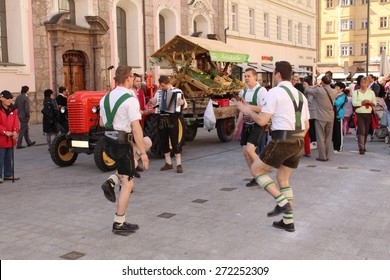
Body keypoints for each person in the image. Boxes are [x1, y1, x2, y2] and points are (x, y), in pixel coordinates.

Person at [236, 61, 310, 232]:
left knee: (256, 170)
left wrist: (247, 111)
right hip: (298, 140)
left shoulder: (274, 92)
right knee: (283, 179)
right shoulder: (300, 95)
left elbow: (262, 120)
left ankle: (282, 203)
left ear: (277, 74)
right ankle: (288, 221)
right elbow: (306, 126)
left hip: (282, 139)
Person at [99, 65, 149, 234]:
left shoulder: (105, 98)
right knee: (128, 183)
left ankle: (111, 181)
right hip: (122, 143)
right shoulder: (130, 99)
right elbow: (136, 128)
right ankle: (119, 222)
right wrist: (143, 154)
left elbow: (101, 123)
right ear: (128, 78)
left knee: (130, 165)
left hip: (108, 142)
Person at [233, 68, 268, 187]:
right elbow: (243, 112)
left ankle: (262, 172)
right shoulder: (244, 92)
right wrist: (237, 127)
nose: (246, 78)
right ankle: (255, 176)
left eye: (249, 76)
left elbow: (264, 108)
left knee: (250, 150)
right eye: (245, 76)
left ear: (255, 77)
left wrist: (249, 107)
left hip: (257, 124)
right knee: (245, 152)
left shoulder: (261, 91)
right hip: (247, 125)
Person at [150, 75, 186, 173]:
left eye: (162, 85)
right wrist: (152, 101)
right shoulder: (159, 92)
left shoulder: (177, 92)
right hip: (161, 118)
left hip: (172, 118)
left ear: (167, 83)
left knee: (175, 141)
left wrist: (182, 102)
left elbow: (185, 104)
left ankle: (179, 164)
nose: (161, 87)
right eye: (160, 86)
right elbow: (155, 104)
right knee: (163, 140)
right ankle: (168, 163)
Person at [306, 76, 337, 161]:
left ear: (322, 82)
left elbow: (307, 89)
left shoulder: (319, 90)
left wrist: (315, 86)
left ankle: (322, 156)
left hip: (320, 116)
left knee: (320, 137)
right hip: (331, 116)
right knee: (328, 138)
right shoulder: (334, 91)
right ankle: (327, 155)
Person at [352, 77, 377, 154]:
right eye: (362, 82)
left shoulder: (371, 92)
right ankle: (361, 147)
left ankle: (364, 145)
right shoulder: (356, 92)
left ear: (368, 83)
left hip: (368, 113)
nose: (363, 84)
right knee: (361, 131)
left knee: (366, 131)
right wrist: (362, 103)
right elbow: (354, 103)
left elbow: (375, 103)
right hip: (359, 113)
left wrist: (370, 102)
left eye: (365, 82)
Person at [0, 90, 20, 183]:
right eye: (7, 98)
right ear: (1, 98)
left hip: (10, 138)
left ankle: (8, 174)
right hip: (2, 138)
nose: (9, 100)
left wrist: (15, 131)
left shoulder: (13, 110)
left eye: (10, 98)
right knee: (0, 158)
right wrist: (5, 131)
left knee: (9, 158)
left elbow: (16, 122)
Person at [332, 82, 347, 153]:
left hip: (339, 115)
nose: (336, 88)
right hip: (333, 115)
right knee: (334, 132)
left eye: (337, 87)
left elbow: (337, 103)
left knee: (339, 132)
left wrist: (333, 99)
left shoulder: (343, 96)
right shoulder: (336, 95)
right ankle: (335, 147)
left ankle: (339, 147)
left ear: (342, 89)